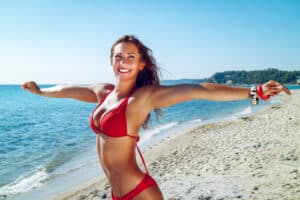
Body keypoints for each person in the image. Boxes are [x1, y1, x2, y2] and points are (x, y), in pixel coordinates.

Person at [22, 35, 291, 200]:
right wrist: (41, 92)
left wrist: (255, 93)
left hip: (140, 193)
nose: (123, 60)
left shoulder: (144, 98)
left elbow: (199, 90)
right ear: (111, 61)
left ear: (141, 64)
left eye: (131, 56)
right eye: (118, 56)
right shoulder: (102, 92)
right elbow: (69, 90)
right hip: (117, 193)